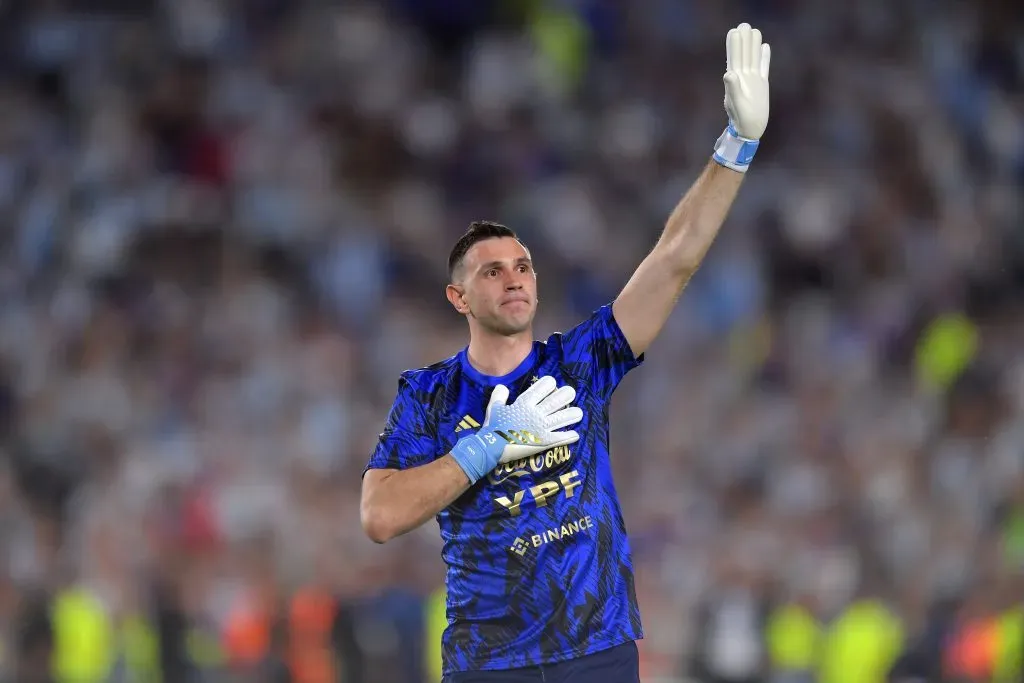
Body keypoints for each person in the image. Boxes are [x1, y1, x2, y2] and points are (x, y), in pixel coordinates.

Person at [360, 22, 772, 683]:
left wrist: (738, 143)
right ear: (458, 297)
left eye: (522, 264)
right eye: (490, 270)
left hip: (596, 653)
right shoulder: (430, 394)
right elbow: (379, 516)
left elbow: (674, 260)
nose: (514, 277)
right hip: (491, 661)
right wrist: (483, 448)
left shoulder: (579, 363)